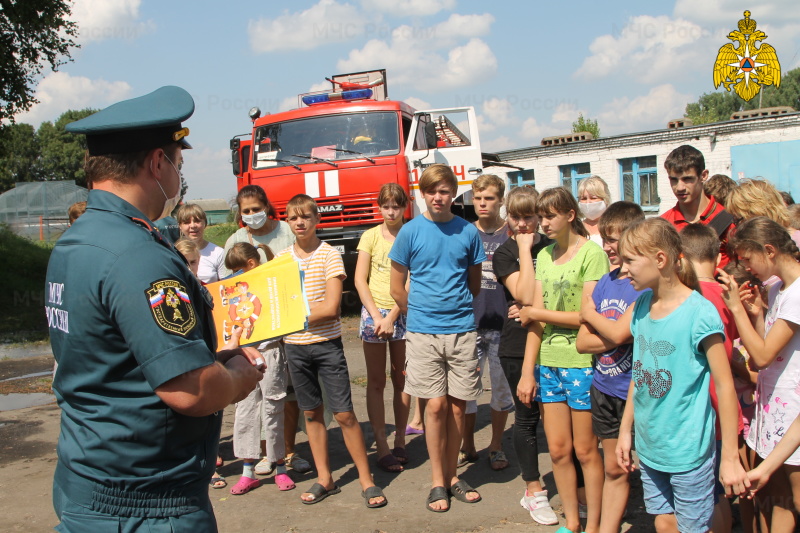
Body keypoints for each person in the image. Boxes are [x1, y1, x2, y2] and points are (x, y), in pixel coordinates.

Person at [48, 86, 264, 531]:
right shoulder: (138, 254)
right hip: (146, 504)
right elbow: (191, 391)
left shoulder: (75, 241)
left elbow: (119, 357)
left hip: (86, 481)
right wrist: (238, 377)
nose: (179, 178)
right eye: (179, 164)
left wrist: (210, 357)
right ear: (157, 163)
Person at [616, 218, 748, 533]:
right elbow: (640, 372)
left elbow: (725, 387)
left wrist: (729, 456)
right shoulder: (643, 305)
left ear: (660, 259)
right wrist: (625, 430)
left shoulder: (700, 314)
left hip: (688, 452)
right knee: (663, 523)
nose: (623, 270)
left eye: (630, 261)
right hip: (650, 448)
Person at [277, 194, 387, 508]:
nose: (299, 222)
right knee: (311, 413)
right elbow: (274, 304)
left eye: (305, 217)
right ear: (287, 220)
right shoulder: (282, 259)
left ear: (317, 220)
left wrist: (292, 317)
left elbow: (331, 307)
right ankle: (326, 478)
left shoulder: (329, 256)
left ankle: (367, 481)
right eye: (293, 217)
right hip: (294, 348)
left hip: (326, 346)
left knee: (344, 414)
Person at [389, 164, 486, 513]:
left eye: (444, 191)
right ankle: (436, 483)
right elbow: (396, 287)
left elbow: (474, 285)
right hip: (423, 333)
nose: (438, 197)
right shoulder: (410, 232)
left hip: (461, 331)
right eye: (432, 191)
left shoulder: (468, 232)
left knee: (459, 408)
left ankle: (452, 476)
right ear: (423, 194)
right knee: (435, 406)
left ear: (453, 193)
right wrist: (417, 316)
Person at [518, 186, 608, 533]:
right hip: (549, 363)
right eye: (541, 216)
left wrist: (534, 311)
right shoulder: (543, 256)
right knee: (557, 450)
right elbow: (535, 322)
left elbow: (587, 317)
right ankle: (571, 523)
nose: (543, 223)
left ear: (571, 215)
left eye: (550, 215)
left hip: (582, 362)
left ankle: (596, 524)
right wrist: (529, 372)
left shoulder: (591, 255)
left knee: (586, 451)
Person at [718, 216, 800, 531]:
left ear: (769, 250)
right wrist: (757, 314)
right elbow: (762, 350)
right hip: (775, 411)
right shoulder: (779, 287)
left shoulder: (795, 294)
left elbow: (763, 356)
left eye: (748, 259)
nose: (746, 267)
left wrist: (736, 309)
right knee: (779, 499)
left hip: (791, 412)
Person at [575, 201, 646, 533]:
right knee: (613, 468)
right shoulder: (605, 281)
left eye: (614, 240)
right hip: (603, 388)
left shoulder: (642, 284)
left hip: (632, 390)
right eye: (604, 238)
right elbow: (582, 343)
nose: (607, 247)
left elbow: (619, 331)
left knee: (643, 467)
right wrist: (614, 336)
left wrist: (590, 315)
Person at [492, 186, 558, 525]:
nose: (523, 224)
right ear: (508, 218)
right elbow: (525, 294)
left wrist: (534, 303)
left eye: (529, 216)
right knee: (528, 416)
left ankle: (572, 482)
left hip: (558, 341)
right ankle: (534, 490)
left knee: (560, 418)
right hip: (517, 347)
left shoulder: (554, 247)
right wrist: (523, 248)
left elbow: (541, 300)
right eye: (516, 217)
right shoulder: (505, 253)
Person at [680, 223, 747, 533]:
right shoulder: (725, 294)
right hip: (725, 403)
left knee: (709, 496)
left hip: (702, 406)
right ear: (717, 256)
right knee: (719, 494)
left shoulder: (691, 296)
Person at [223, 242, 295, 495]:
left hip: (270, 351)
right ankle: (247, 471)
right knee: (245, 408)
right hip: (243, 353)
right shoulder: (234, 290)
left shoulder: (270, 283)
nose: (233, 277)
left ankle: (280, 467)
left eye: (237, 271)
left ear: (251, 266)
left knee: (273, 406)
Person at [353, 182, 411, 473]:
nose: (391, 211)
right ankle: (382, 444)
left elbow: (413, 279)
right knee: (376, 382)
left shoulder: (411, 234)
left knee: (402, 379)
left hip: (403, 313)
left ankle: (401, 438)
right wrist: (377, 316)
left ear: (404, 207)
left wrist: (393, 316)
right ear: (379, 207)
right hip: (373, 315)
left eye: (396, 206)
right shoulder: (370, 236)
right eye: (386, 206)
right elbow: (359, 279)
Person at [460, 174, 515, 472]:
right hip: (469, 323)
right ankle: (466, 444)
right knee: (467, 391)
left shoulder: (511, 234)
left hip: (502, 325)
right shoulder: (465, 233)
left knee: (500, 389)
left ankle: (496, 445)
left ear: (501, 201)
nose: (482, 203)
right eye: (478, 198)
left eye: (489, 198)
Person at [661, 145, 735, 267]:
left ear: (704, 175)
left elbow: (744, 268)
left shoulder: (728, 220)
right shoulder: (664, 225)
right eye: (674, 180)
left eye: (687, 179)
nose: (680, 187)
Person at [221, 184, 294, 277]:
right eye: (246, 211)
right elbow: (228, 279)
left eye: (256, 209)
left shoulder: (287, 230)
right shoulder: (235, 240)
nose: (251, 214)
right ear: (240, 212)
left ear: (266, 207)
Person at [176, 203, 226, 283]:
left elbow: (225, 285)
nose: (193, 226)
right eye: (187, 222)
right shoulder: (174, 253)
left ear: (205, 223)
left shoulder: (219, 253)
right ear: (180, 226)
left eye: (197, 221)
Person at [577, 175, 611, 247]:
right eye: (583, 198)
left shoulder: (615, 225)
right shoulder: (575, 228)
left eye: (593, 198)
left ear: (605, 199)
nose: (588, 202)